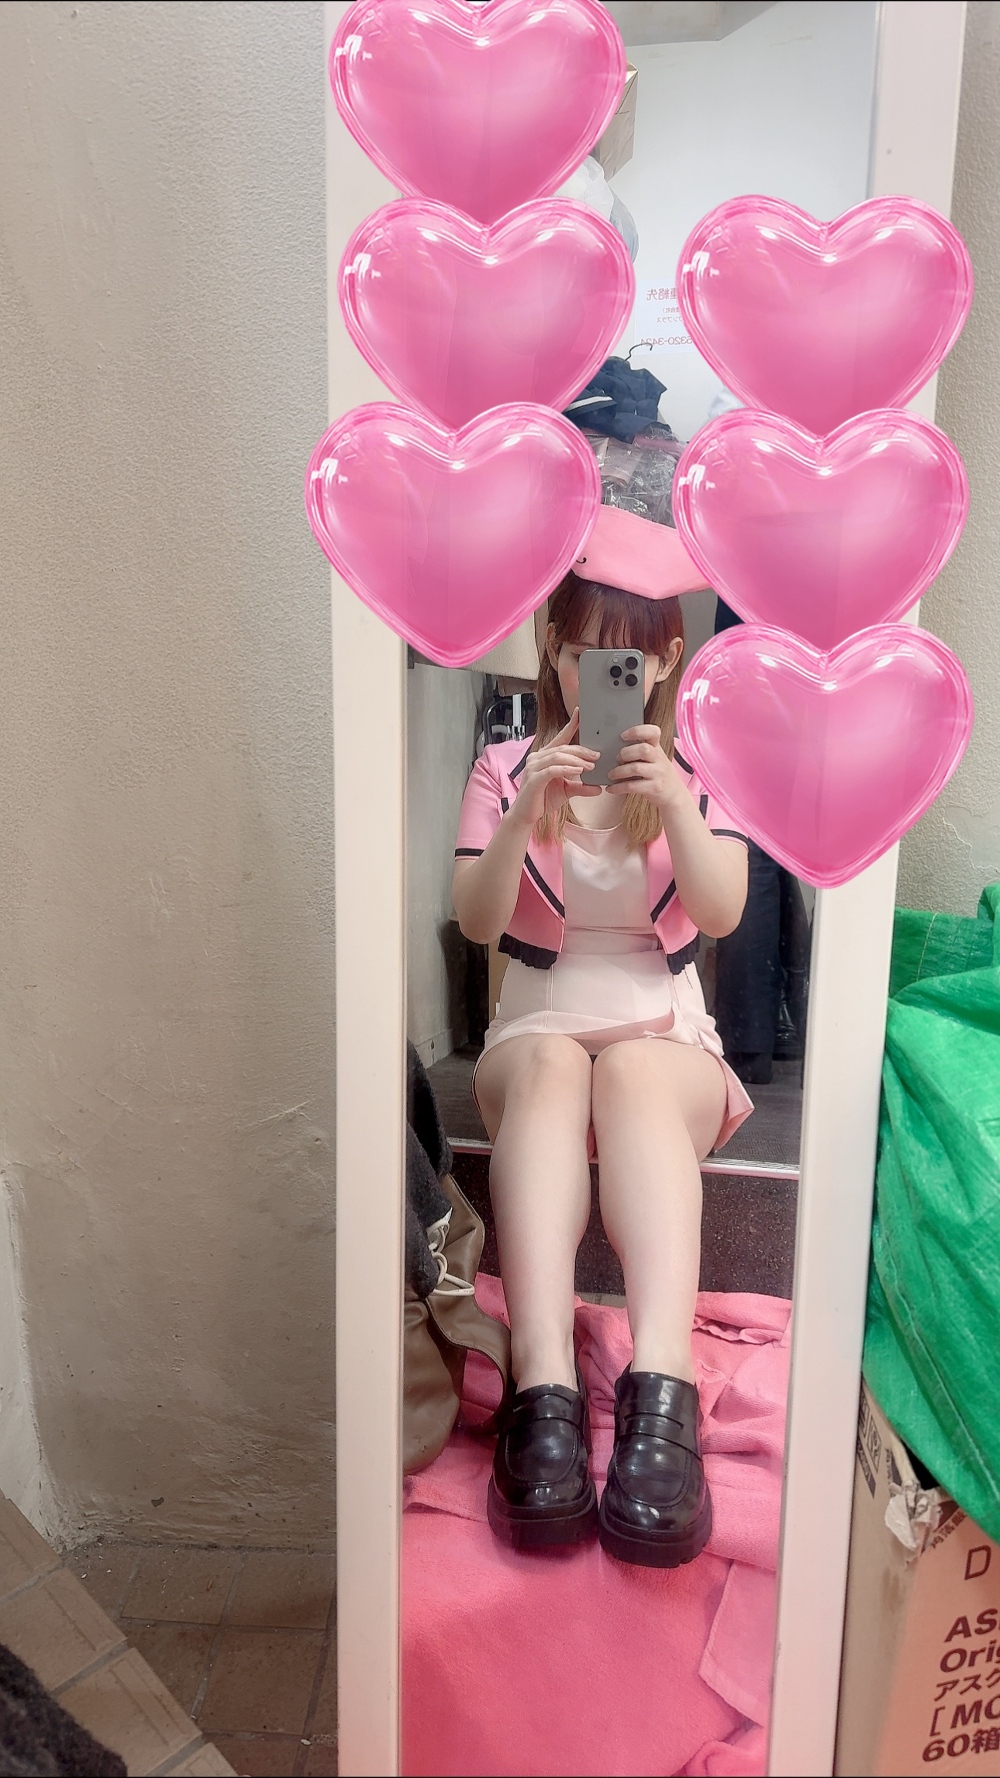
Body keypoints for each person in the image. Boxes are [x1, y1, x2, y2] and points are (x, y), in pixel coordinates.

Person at [451, 533, 752, 1569]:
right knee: (551, 1064)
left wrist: (672, 802)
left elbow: (721, 910)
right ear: (551, 646)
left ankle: (662, 1391)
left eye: (623, 658)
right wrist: (520, 815)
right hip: (534, 1021)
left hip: (663, 1028)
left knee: (623, 1067)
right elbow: (479, 922)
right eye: (581, 653)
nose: (598, 675)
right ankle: (542, 1385)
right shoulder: (503, 767)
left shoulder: (701, 772)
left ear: (663, 661)